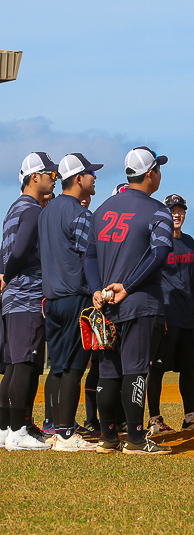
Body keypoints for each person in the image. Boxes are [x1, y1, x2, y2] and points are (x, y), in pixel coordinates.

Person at [84, 146, 174, 455]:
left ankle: (109, 437)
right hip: (139, 302)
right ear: (151, 174)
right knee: (135, 370)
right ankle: (135, 439)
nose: (159, 174)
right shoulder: (158, 210)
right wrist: (130, 285)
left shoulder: (104, 207)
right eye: (158, 169)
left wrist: (96, 288)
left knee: (108, 372)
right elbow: (160, 254)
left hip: (105, 304)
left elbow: (90, 255)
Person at [37, 153, 103, 451]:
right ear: (78, 179)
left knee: (58, 366)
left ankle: (53, 426)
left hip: (51, 299)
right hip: (75, 297)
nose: (94, 178)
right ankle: (65, 433)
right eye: (90, 173)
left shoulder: (47, 211)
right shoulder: (79, 213)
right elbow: (91, 256)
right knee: (75, 368)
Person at [146, 194, 194, 435]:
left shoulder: (189, 242)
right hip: (165, 316)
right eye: (172, 210)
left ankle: (189, 417)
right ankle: (154, 419)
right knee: (156, 369)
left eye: (180, 210)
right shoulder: (157, 242)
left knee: (189, 369)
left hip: (187, 316)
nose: (177, 214)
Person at [1, 152, 58, 451]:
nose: (53, 179)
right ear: (35, 177)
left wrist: (4, 276)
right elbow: (20, 252)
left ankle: (5, 429)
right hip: (26, 295)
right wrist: (9, 275)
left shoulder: (13, 209)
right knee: (25, 363)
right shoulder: (34, 210)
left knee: (13, 364)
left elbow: (6, 251)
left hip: (12, 299)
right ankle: (18, 431)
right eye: (51, 173)